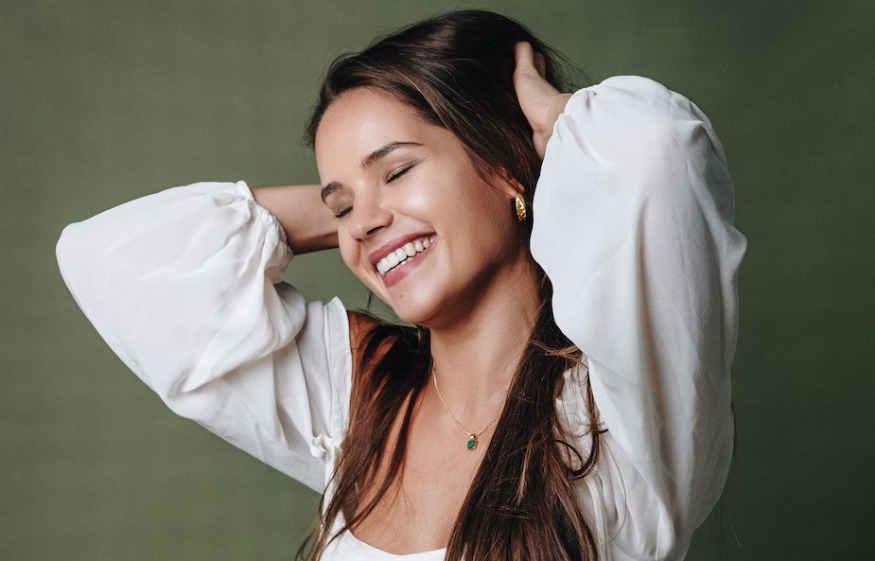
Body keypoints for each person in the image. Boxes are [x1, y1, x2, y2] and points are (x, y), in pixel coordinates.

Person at [56, 9, 746, 561]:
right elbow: (105, 263)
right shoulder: (359, 397)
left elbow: (657, 150)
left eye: (396, 170)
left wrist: (545, 133)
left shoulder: (618, 407)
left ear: (505, 162)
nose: (361, 222)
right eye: (340, 204)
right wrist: (370, 215)